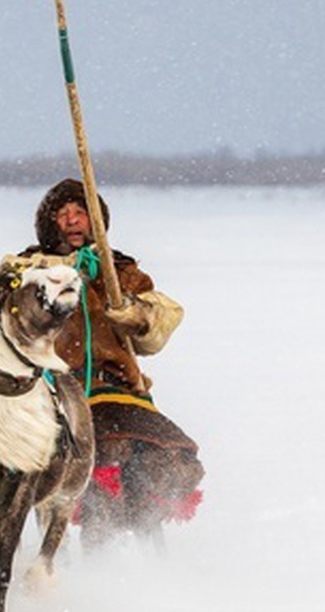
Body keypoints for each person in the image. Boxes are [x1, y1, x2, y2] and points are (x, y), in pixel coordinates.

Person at [25, 178, 204, 549]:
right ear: (50, 222)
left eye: (81, 212)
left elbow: (159, 327)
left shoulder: (120, 271)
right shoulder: (32, 267)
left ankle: (152, 550)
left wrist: (136, 313)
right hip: (53, 385)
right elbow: (8, 316)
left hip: (117, 387)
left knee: (158, 456)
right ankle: (77, 558)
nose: (73, 220)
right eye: (64, 214)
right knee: (96, 457)